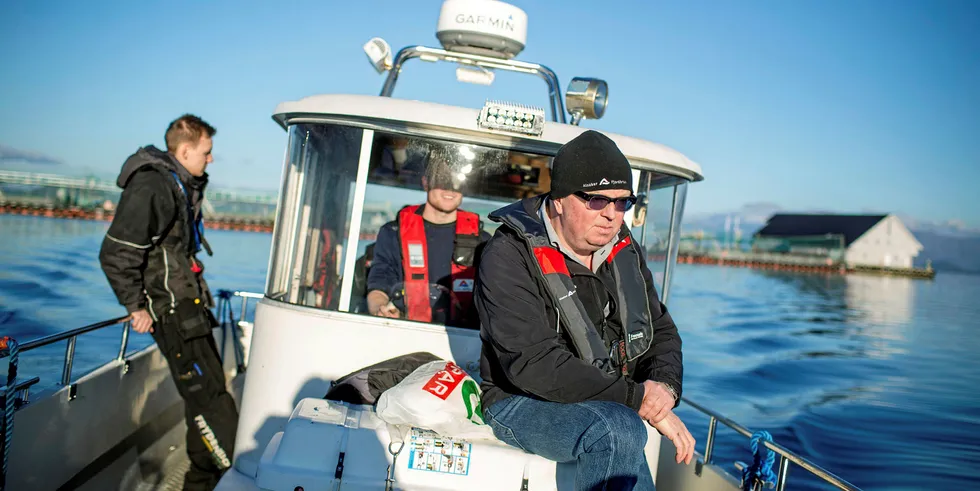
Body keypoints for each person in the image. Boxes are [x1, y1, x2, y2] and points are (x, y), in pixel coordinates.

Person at [475, 130, 695, 490]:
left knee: (620, 424)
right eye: (596, 200)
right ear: (559, 199)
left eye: (623, 202)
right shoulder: (507, 255)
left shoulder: (624, 248)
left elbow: (662, 332)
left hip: (608, 400)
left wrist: (665, 388)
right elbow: (534, 364)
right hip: (519, 400)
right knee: (619, 427)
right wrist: (636, 399)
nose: (612, 215)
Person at [99, 114, 238, 491]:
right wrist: (136, 306)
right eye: (207, 153)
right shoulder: (153, 186)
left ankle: (202, 479)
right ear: (185, 149)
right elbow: (116, 253)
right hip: (171, 311)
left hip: (188, 303)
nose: (210, 160)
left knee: (207, 397)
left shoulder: (179, 184)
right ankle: (236, 479)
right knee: (211, 400)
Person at [366, 153, 490, 327]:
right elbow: (378, 285)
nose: (450, 189)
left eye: (457, 183)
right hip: (405, 330)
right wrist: (381, 310)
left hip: (463, 339)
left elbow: (495, 297)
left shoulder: (483, 242)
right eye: (442, 181)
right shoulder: (392, 233)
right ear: (425, 183)